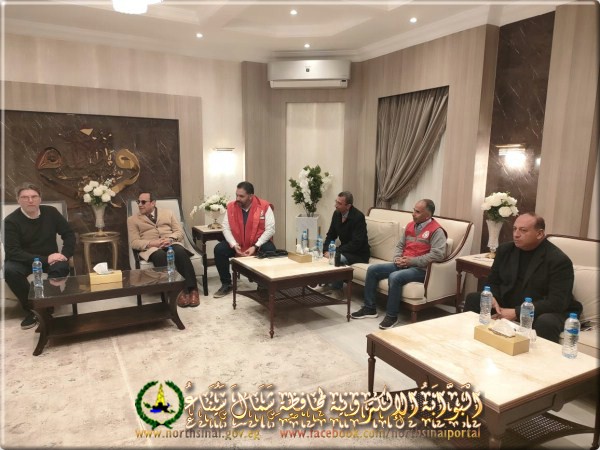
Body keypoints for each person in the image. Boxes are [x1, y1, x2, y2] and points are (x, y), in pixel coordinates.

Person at [464, 213, 582, 343]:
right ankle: (469, 342)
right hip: (510, 302)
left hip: (543, 310)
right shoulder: (505, 250)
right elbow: (493, 282)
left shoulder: (558, 260)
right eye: (514, 229)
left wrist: (517, 312)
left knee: (546, 322)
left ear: (539, 234)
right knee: (474, 298)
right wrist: (492, 298)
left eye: (523, 230)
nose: (516, 234)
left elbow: (556, 302)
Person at [352, 199, 447, 330]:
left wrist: (411, 261)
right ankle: (369, 308)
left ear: (427, 215)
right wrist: (397, 258)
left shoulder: (437, 230)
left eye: (417, 212)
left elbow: (438, 255)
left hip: (421, 269)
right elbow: (400, 245)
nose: (413, 214)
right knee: (373, 270)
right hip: (404, 263)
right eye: (414, 210)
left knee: (395, 277)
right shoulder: (410, 225)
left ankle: (391, 316)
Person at [3, 182, 75, 329]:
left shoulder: (51, 212)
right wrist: (45, 259)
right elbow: (12, 251)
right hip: (23, 260)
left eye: (34, 196)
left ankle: (47, 306)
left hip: (50, 258)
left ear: (40, 199)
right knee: (10, 270)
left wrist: (64, 255)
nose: (30, 200)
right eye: (25, 197)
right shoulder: (10, 221)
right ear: (18, 200)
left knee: (61, 267)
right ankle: (33, 310)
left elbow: (69, 234)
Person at [127, 192, 200, 308]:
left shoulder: (168, 213)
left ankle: (192, 289)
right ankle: (176, 292)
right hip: (151, 248)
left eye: (143, 202)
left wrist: (170, 239)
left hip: (170, 242)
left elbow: (179, 232)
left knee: (180, 252)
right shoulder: (132, 220)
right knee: (160, 255)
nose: (140, 205)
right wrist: (151, 243)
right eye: (138, 202)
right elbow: (134, 242)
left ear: (153, 203)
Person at [213, 181, 276, 298]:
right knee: (219, 249)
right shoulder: (231, 207)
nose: (237, 198)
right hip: (238, 243)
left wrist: (255, 246)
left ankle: (263, 285)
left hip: (257, 244)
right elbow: (225, 227)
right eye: (236, 195)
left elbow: (270, 229)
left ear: (251, 196)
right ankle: (226, 284)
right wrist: (233, 244)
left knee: (270, 249)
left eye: (241, 196)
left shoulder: (264, 206)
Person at [318, 191, 370, 297]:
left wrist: (335, 251)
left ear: (348, 206)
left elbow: (356, 243)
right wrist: (325, 249)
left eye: (339, 203)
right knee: (320, 252)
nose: (335, 205)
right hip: (345, 249)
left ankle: (337, 290)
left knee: (337, 258)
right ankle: (327, 284)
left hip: (358, 253)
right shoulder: (336, 214)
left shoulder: (358, 217)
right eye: (336, 202)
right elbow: (331, 234)